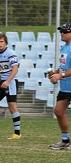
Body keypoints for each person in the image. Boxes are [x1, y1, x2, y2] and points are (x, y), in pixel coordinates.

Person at [48, 22, 71, 150]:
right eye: (61, 31)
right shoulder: (64, 48)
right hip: (65, 87)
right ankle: (65, 140)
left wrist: (60, 75)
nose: (62, 33)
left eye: (65, 31)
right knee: (58, 111)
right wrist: (55, 74)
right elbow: (64, 67)